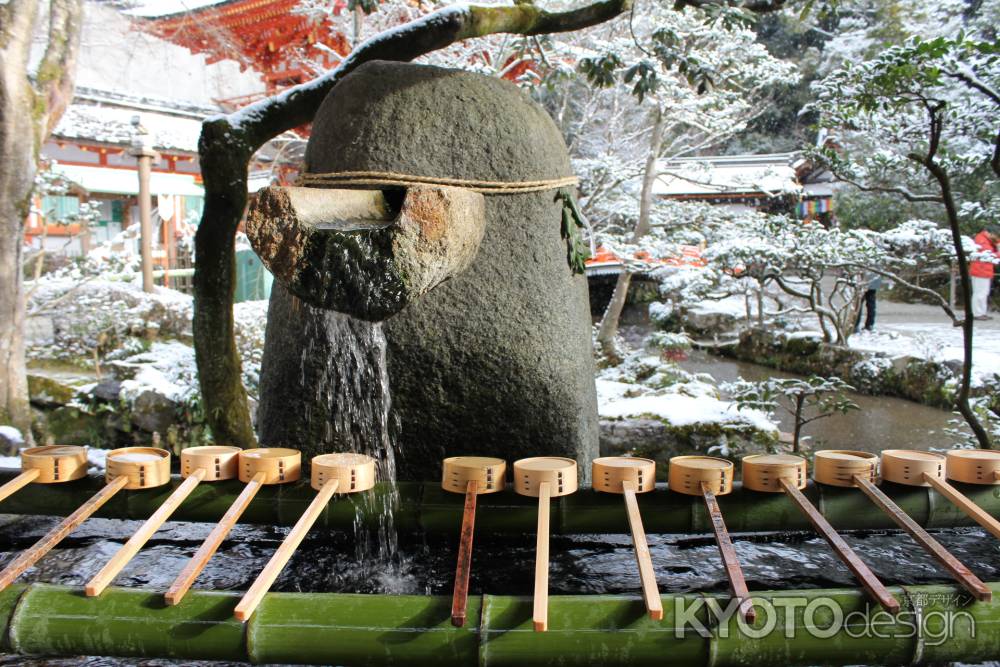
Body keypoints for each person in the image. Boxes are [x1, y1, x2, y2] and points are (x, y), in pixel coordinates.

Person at [971, 227, 999, 320]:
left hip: (984, 270)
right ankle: (977, 313)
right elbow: (988, 254)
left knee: (983, 292)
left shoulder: (985, 239)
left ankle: (981, 312)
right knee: (980, 293)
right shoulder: (981, 239)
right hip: (980, 270)